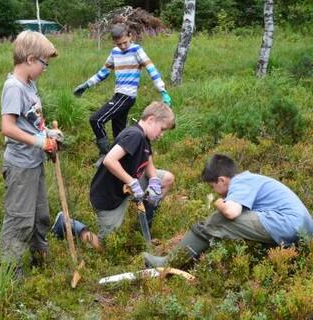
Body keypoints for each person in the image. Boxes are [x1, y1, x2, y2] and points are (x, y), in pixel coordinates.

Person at [143, 154, 313, 268]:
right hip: (303, 229)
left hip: (284, 223)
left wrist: (219, 203)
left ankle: (168, 264)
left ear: (222, 180)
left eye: (213, 186)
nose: (215, 191)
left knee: (218, 220)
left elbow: (232, 212)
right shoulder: (252, 179)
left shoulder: (240, 182)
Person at [0, 30, 62, 275]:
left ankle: (39, 258)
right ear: (30, 59)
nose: (45, 69)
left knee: (40, 216)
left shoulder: (30, 84)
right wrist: (39, 142)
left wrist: (48, 134)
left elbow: (33, 120)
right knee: (20, 219)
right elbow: (8, 127)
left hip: (34, 162)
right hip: (20, 165)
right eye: (44, 63)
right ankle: (10, 271)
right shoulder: (13, 87)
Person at [73, 23, 172, 156]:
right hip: (119, 94)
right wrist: (86, 85)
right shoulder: (115, 52)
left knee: (96, 120)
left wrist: (162, 91)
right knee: (119, 132)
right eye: (119, 44)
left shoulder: (137, 50)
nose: (123, 46)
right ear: (114, 42)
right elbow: (103, 72)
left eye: (125, 42)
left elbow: (151, 69)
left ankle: (105, 154)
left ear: (130, 36)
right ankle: (125, 158)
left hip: (127, 96)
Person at [90, 101, 175, 241]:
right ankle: (71, 225)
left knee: (166, 179)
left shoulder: (144, 137)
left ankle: (143, 226)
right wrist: (132, 183)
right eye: (162, 129)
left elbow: (148, 160)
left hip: (128, 185)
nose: (162, 134)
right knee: (107, 244)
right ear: (151, 120)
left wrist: (153, 180)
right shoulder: (135, 135)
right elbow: (109, 160)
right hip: (110, 195)